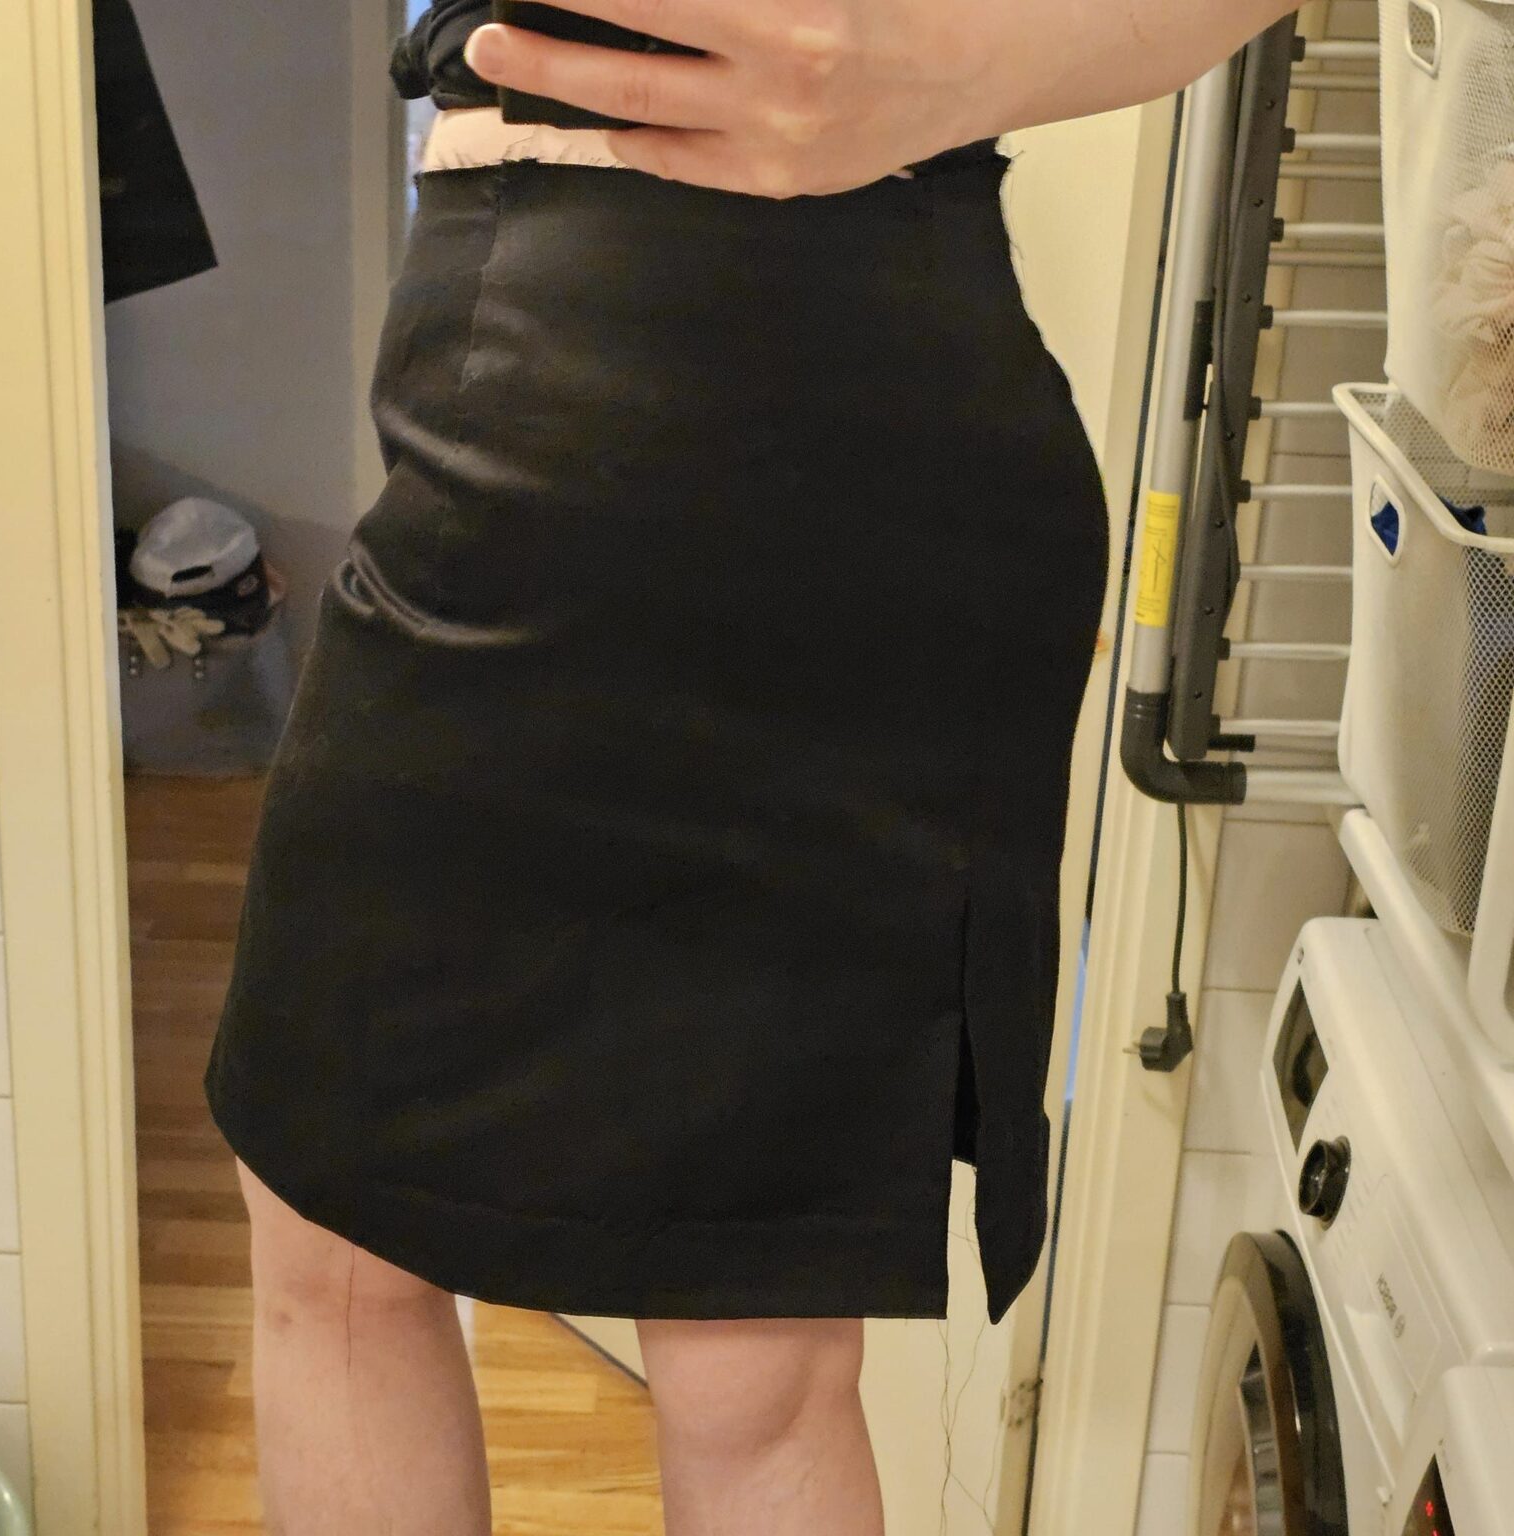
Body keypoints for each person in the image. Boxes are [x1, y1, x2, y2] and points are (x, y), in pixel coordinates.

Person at [203, 2, 1302, 1531]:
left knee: (626, 1323)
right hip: (568, 375)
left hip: (752, 405)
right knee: (559, 1300)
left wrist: (961, 71)